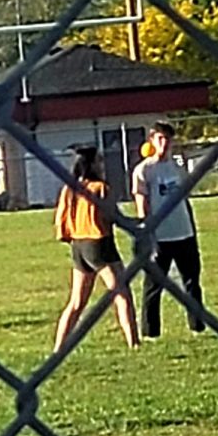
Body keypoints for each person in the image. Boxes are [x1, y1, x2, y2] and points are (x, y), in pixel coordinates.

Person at [53, 146, 139, 352]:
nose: (102, 165)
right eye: (98, 161)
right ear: (91, 165)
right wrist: (139, 222)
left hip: (78, 246)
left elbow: (61, 220)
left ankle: (58, 347)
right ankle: (134, 343)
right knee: (122, 294)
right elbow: (114, 217)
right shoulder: (100, 188)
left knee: (76, 302)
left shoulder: (69, 189)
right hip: (99, 244)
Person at [132, 121, 205, 339]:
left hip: (183, 233)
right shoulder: (144, 170)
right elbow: (141, 203)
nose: (164, 144)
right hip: (160, 237)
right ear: (152, 141)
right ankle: (150, 331)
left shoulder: (177, 168)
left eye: (168, 139)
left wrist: (192, 228)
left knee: (192, 282)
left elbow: (185, 201)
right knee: (154, 286)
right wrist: (147, 234)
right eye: (160, 139)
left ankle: (197, 326)